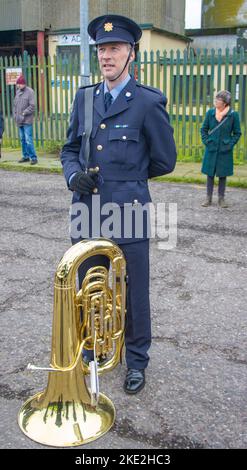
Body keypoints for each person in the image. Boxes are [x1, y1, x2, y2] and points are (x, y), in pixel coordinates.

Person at [61, 14, 177, 394]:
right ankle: (92, 352)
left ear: (131, 54)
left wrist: (128, 180)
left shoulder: (146, 102)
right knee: (88, 289)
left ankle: (137, 360)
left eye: (114, 48)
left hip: (129, 212)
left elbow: (165, 160)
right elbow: (70, 150)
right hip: (87, 210)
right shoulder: (85, 98)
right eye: (102, 49)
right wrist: (73, 175)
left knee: (133, 293)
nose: (106, 56)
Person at [201, 90, 241, 208]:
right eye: (216, 99)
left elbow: (237, 133)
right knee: (210, 174)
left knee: (223, 175)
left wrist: (229, 145)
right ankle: (208, 198)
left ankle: (221, 198)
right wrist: (207, 141)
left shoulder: (233, 115)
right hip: (211, 148)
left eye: (218, 100)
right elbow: (203, 129)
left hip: (225, 150)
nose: (215, 101)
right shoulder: (210, 113)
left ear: (225, 103)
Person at [13, 75, 38, 165]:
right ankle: (25, 156)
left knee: (28, 139)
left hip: (27, 120)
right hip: (19, 120)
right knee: (22, 139)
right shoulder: (18, 92)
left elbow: (32, 106)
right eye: (17, 84)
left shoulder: (30, 92)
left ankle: (34, 158)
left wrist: (24, 113)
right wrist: (15, 115)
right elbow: (15, 105)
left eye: (19, 84)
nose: (18, 86)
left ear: (24, 84)